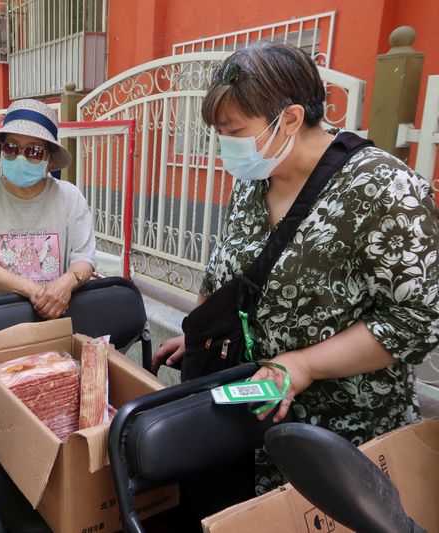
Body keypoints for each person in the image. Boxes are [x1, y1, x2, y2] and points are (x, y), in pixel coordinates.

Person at [152, 42, 439, 494]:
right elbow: (229, 273)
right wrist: (201, 334)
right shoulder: (255, 181)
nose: (226, 144)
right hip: (247, 423)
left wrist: (303, 365)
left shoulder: (382, 187)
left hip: (338, 435)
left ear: (288, 119)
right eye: (219, 131)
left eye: (235, 130)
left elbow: (417, 320)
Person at [0, 99, 96, 319]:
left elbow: (85, 256)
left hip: (57, 320)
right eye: (11, 148)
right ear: (1, 151)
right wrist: (33, 290)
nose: (20, 157)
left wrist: (67, 282)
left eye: (34, 151)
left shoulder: (69, 197)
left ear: (50, 160)